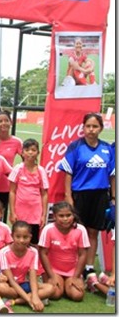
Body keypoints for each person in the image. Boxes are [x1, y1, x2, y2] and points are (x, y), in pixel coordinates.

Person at [59, 112, 115, 280]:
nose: (91, 130)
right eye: (88, 126)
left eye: (95, 126)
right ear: (83, 128)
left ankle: (89, 268)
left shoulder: (107, 148)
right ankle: (74, 267)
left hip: (100, 195)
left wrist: (113, 198)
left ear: (101, 128)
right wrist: (68, 197)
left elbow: (112, 175)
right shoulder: (75, 147)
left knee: (93, 232)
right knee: (76, 232)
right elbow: (68, 173)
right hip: (80, 195)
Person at [0, 220, 55, 312]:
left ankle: (16, 301)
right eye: (18, 237)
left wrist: (35, 296)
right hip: (11, 286)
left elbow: (33, 277)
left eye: (25, 237)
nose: (21, 240)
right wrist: (30, 301)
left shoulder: (33, 252)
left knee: (50, 288)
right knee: (1, 287)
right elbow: (11, 280)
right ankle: (26, 299)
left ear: (30, 237)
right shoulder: (4, 252)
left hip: (25, 284)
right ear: (12, 236)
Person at [38, 201, 89, 301]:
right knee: (55, 294)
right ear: (54, 216)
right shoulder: (48, 229)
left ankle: (67, 284)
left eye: (68, 215)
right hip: (53, 270)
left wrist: (76, 277)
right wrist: (51, 276)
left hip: (72, 271)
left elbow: (83, 254)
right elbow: (43, 253)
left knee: (77, 296)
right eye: (61, 216)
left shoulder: (81, 229)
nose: (65, 219)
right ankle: (57, 283)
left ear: (73, 215)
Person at [9, 138, 49, 245]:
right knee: (18, 239)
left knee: (33, 241)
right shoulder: (18, 169)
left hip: (35, 213)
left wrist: (43, 215)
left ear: (38, 153)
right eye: (27, 150)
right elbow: (12, 191)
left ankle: (33, 260)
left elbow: (44, 194)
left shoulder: (41, 171)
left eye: (33, 150)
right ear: (22, 152)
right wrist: (12, 212)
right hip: (20, 212)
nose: (30, 152)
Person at [0, 109, 23, 222]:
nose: (3, 123)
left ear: (11, 122)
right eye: (0, 121)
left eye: (6, 120)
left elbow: (26, 161)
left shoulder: (17, 142)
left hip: (6, 186)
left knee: (1, 216)